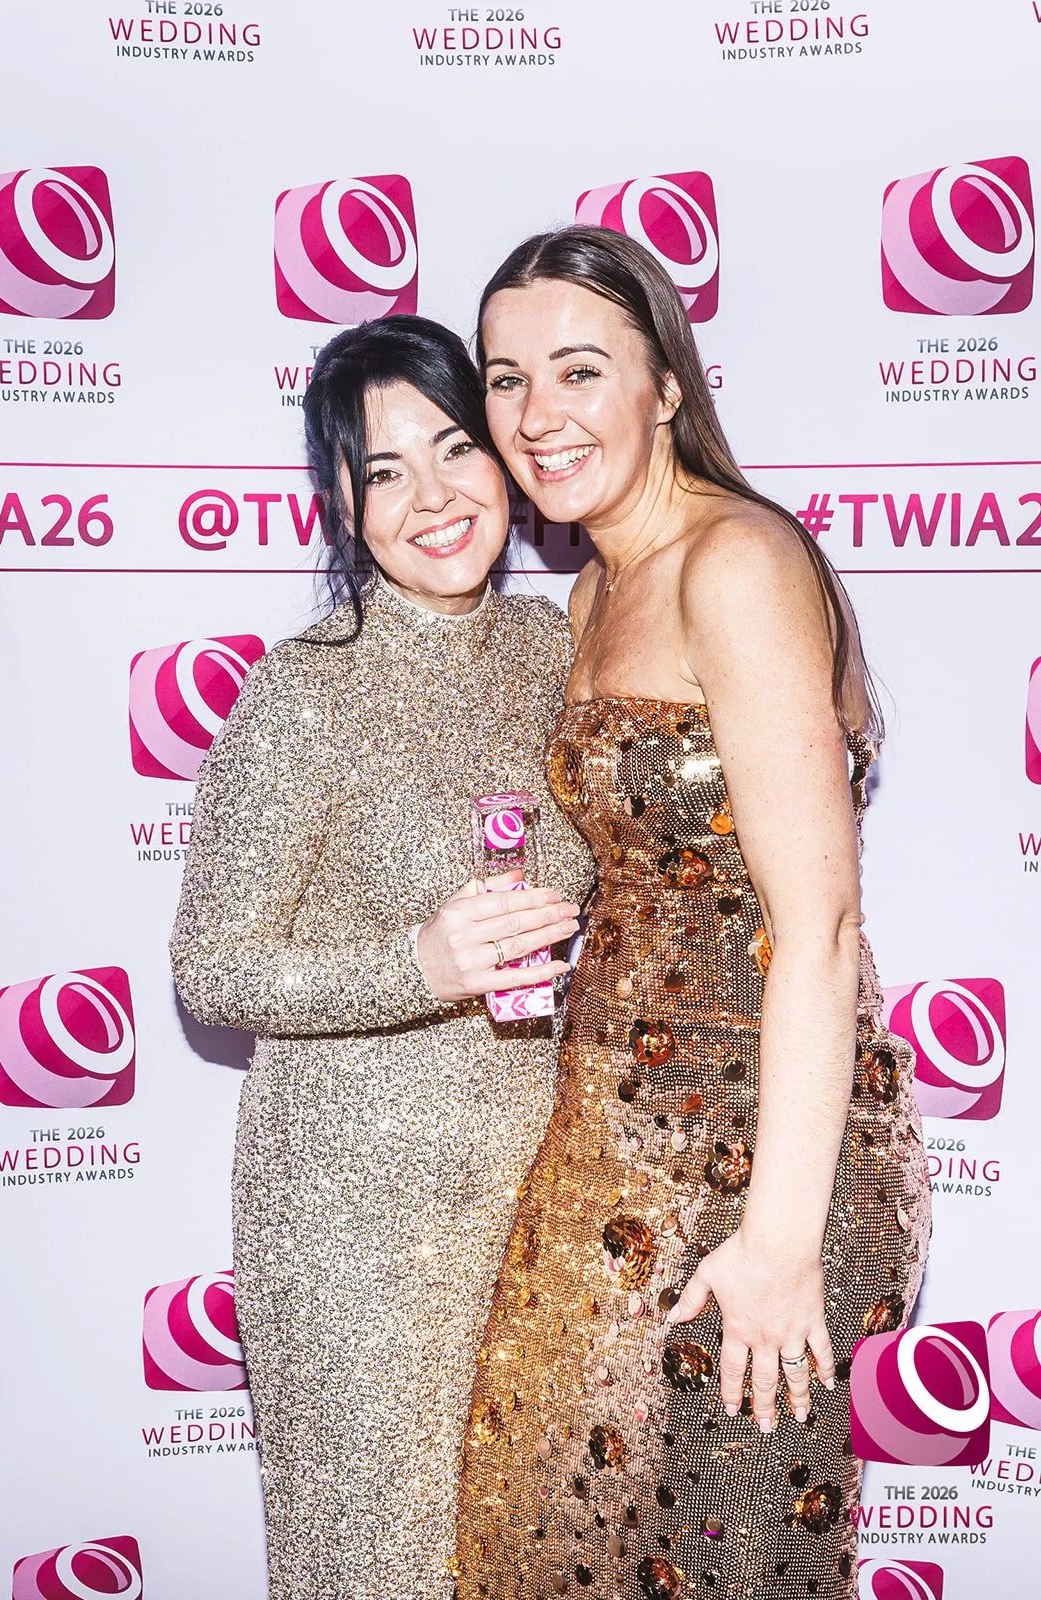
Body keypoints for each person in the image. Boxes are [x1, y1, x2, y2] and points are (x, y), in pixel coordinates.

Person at [453, 228, 931, 1599]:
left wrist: (779, 1243)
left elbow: (818, 924)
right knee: (561, 1535)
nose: (535, 417)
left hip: (758, 1146)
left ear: (665, 386)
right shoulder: (594, 584)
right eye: (503, 379)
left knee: (720, 1554)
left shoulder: (738, 562)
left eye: (578, 370)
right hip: (608, 1134)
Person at [170, 315, 593, 1600]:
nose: (432, 497)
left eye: (455, 448)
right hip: (353, 1219)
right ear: (343, 506)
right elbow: (210, 966)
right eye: (383, 470)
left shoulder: (554, 650)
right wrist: (416, 961)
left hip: (535, 1199)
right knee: (377, 1567)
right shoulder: (303, 692)